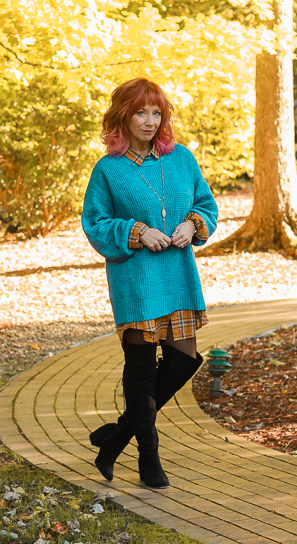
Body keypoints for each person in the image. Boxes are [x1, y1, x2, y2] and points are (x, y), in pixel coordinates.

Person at [81, 78, 218, 490]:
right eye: (141, 112)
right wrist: (137, 232)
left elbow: (206, 205)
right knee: (140, 373)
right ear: (123, 115)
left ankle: (116, 438)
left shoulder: (180, 160)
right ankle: (148, 457)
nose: (149, 121)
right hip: (136, 282)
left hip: (178, 277)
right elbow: (96, 223)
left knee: (182, 361)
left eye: (156, 113)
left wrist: (191, 224)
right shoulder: (108, 170)